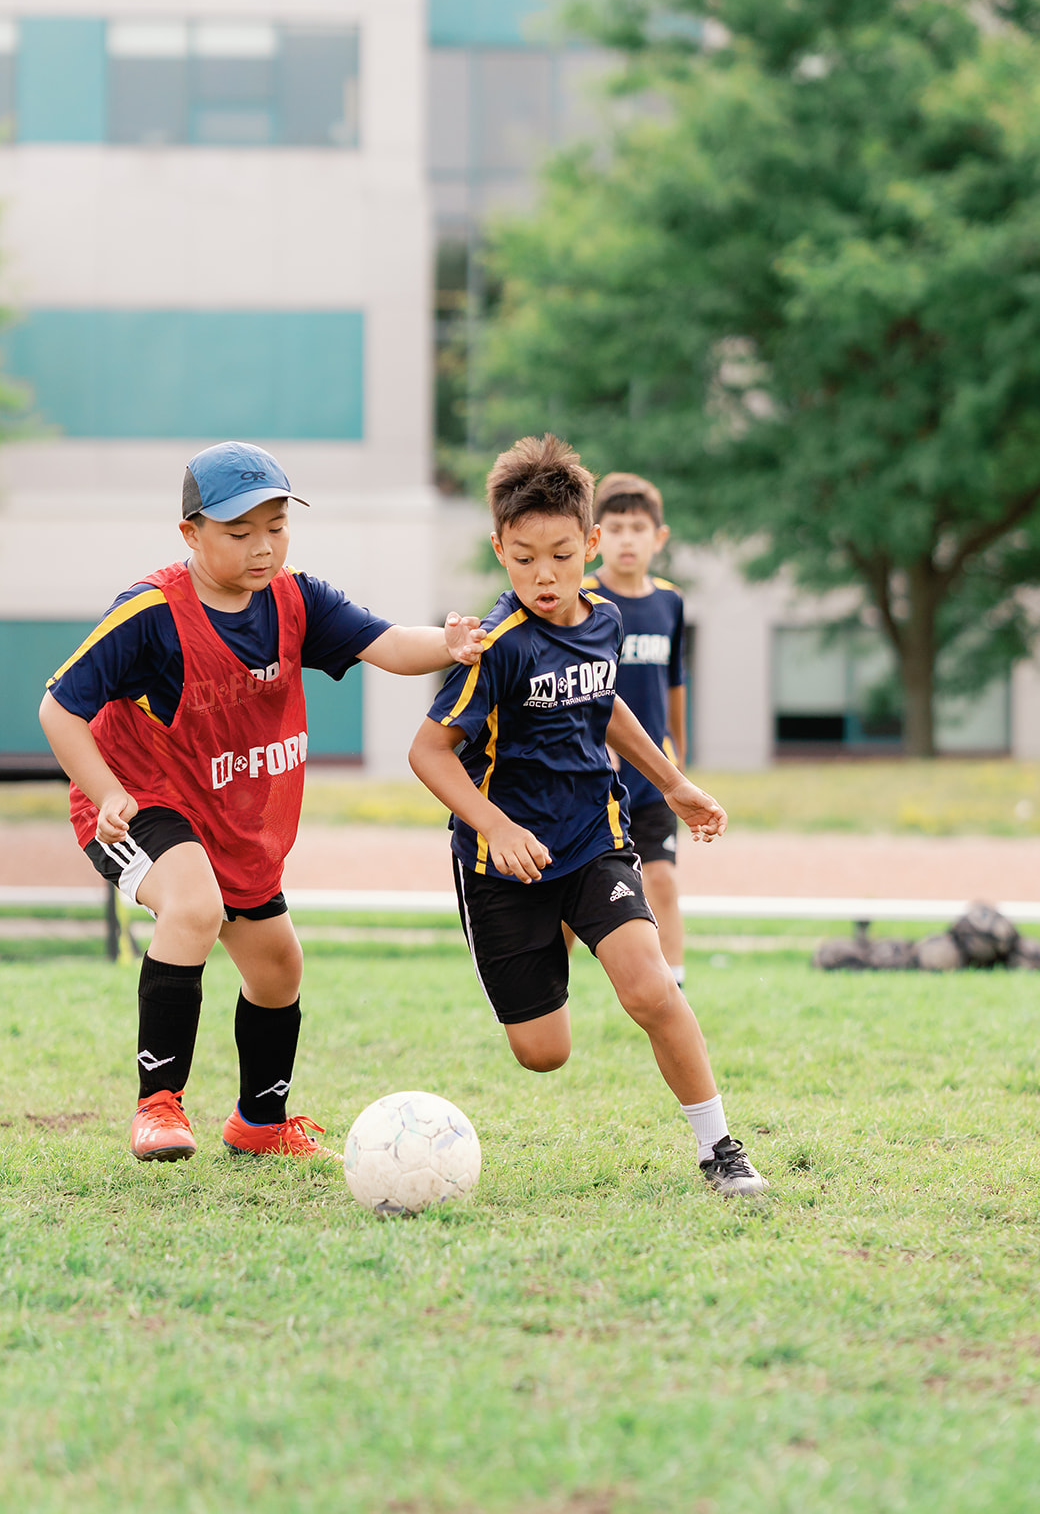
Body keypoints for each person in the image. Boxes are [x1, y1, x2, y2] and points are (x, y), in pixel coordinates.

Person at [39, 441, 485, 1165]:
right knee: (193, 908)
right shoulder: (150, 613)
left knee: (278, 967)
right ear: (191, 534)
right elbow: (58, 709)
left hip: (232, 818)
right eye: (239, 532)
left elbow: (389, 643)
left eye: (276, 527)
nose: (263, 546)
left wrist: (452, 643)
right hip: (136, 803)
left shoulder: (297, 599)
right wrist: (109, 793)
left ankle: (259, 1121)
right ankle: (158, 1107)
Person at [408, 435, 765, 1196]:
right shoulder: (497, 646)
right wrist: (496, 827)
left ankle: (721, 1148)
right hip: (502, 863)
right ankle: (540, 953)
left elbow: (606, 706)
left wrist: (674, 783)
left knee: (650, 988)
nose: (545, 575)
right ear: (498, 548)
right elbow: (429, 753)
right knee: (544, 1052)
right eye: (525, 556)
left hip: (594, 842)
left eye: (563, 555)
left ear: (592, 545)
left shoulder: (603, 619)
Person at [588, 472, 688, 988]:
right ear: (595, 535)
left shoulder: (670, 602)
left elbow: (675, 685)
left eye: (638, 528)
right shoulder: (581, 600)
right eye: (616, 527)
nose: (627, 539)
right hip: (589, 778)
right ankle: (551, 995)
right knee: (570, 899)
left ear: (659, 537)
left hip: (652, 778)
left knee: (663, 881)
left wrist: (680, 765)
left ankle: (675, 989)